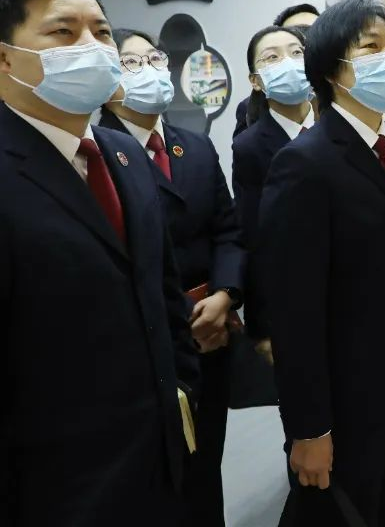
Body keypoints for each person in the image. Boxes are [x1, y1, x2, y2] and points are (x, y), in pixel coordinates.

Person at [0, 0, 199, 526]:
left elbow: (162, 293)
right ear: (5, 59)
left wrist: (183, 390)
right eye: (63, 32)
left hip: (156, 459)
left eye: (102, 31)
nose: (91, 46)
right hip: (51, 484)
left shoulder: (122, 153)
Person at [257, 0, 385, 526]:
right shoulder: (303, 163)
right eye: (370, 47)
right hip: (347, 395)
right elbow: (294, 310)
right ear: (330, 68)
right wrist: (309, 428)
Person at [99, 29, 245, 527]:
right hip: (154, 338)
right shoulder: (100, 153)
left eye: (155, 59)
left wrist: (226, 296)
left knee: (208, 465)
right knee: (162, 475)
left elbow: (228, 228)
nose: (150, 70)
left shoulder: (195, 146)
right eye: (131, 63)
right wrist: (183, 320)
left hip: (214, 329)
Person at [232, 25, 313, 350]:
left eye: (297, 53)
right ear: (256, 81)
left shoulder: (339, 127)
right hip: (291, 298)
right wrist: (263, 326)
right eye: (272, 57)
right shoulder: (249, 147)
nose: (288, 63)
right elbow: (253, 238)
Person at [233, 4, 320, 137]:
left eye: (314, 33)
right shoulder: (252, 109)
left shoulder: (342, 99)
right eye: (296, 31)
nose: (306, 40)